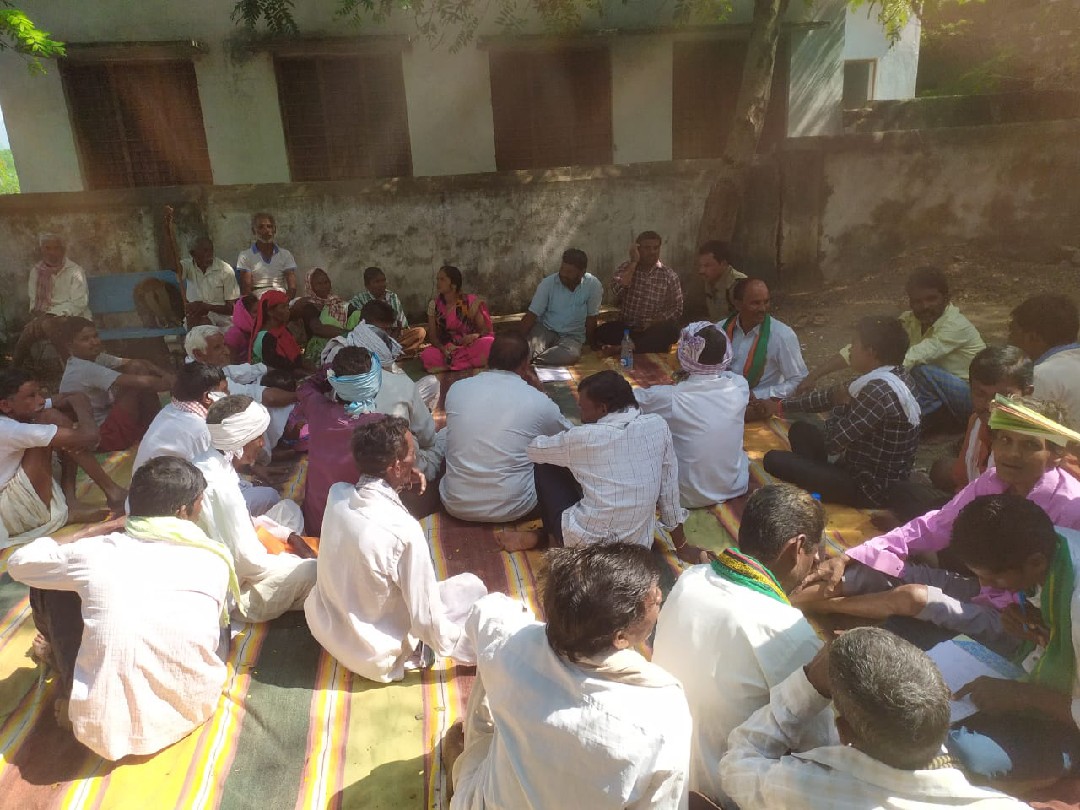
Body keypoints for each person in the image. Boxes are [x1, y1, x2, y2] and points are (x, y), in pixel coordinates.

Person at [795, 396, 1080, 646]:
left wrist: (1032, 616)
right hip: (982, 588)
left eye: (1030, 445)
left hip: (1017, 620)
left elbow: (1060, 600)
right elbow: (937, 525)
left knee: (913, 598)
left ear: (1056, 455)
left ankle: (822, 606)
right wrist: (850, 556)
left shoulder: (1070, 510)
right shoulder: (993, 481)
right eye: (1005, 440)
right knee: (874, 568)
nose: (1013, 453)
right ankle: (782, 602)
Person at [8, 456, 237, 761]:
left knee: (49, 579)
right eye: (200, 502)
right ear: (183, 511)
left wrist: (84, 533)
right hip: (194, 704)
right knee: (214, 621)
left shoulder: (96, 553)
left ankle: (71, 682)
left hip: (105, 728)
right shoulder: (213, 557)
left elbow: (20, 563)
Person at [447, 543, 691, 809]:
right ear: (621, 637)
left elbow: (486, 609)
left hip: (489, 801)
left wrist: (525, 620)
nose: (659, 595)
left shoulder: (511, 644)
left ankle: (460, 768)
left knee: (489, 668)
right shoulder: (664, 710)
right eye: (653, 598)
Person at [652, 484, 830, 804]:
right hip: (724, 796)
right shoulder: (789, 633)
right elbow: (822, 749)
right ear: (797, 547)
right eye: (815, 550)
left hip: (665, 777)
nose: (818, 559)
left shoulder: (691, 579)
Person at [720, 626, 1026, 809]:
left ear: (845, 732)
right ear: (945, 697)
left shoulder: (799, 789)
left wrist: (809, 684)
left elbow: (737, 763)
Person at [305, 416, 487, 683]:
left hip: (327, 628)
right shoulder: (404, 532)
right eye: (412, 454)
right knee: (472, 588)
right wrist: (480, 653)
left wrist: (399, 479)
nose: (416, 459)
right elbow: (427, 621)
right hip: (376, 657)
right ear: (396, 466)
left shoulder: (338, 494)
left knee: (464, 591)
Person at [944, 495, 1080, 786]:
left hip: (1070, 719)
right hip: (1049, 690)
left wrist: (1023, 696)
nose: (985, 586)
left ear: (1035, 562)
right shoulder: (1052, 544)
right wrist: (1036, 622)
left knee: (972, 757)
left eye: (994, 579)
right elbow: (1055, 622)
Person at [525, 370, 692, 557]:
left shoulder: (583, 438)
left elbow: (533, 450)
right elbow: (668, 490)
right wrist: (682, 546)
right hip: (637, 546)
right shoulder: (658, 426)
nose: (581, 416)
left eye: (583, 408)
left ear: (603, 409)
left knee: (545, 463)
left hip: (586, 544)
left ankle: (552, 541)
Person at [762, 316, 919, 507]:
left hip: (869, 489)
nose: (850, 349)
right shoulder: (897, 376)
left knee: (773, 459)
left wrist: (839, 406)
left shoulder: (876, 392)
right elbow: (827, 396)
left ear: (871, 352)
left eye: (854, 343)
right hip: (863, 469)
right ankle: (815, 478)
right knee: (800, 430)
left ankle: (815, 484)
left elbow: (832, 443)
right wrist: (779, 406)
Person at [799, 267, 985, 426]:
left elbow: (911, 357)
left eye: (931, 299)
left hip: (975, 399)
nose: (925, 306)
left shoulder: (955, 325)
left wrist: (861, 386)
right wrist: (814, 376)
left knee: (919, 372)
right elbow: (866, 344)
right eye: (918, 301)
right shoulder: (910, 320)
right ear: (910, 302)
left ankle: (907, 424)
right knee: (902, 381)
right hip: (940, 396)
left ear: (946, 298)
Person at [194, 395, 314, 623]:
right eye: (257, 437)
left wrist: (288, 536)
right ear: (240, 440)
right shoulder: (219, 486)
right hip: (236, 590)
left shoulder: (211, 460)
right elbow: (249, 563)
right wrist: (290, 559)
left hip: (246, 553)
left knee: (288, 509)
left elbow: (246, 521)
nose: (261, 443)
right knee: (314, 571)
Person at [886, 346, 1033, 523]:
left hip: (1001, 522)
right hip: (970, 508)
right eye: (980, 394)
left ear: (1027, 394)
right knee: (901, 491)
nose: (990, 405)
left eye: (1003, 396)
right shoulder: (977, 422)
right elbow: (963, 483)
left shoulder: (1033, 442)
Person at [440, 333, 569, 528]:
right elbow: (567, 437)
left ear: (488, 358)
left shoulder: (457, 389)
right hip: (515, 508)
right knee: (548, 448)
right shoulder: (538, 401)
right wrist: (541, 391)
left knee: (447, 435)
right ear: (525, 364)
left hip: (455, 503)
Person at [0, 369, 127, 546]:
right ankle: (111, 491)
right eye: (31, 396)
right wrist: (86, 423)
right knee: (48, 418)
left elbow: (76, 397)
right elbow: (90, 437)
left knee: (54, 417)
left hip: (14, 502)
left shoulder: (13, 414)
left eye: (39, 393)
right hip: (11, 513)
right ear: (6, 405)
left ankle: (72, 501)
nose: (41, 400)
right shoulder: (7, 429)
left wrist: (78, 414)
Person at [636, 322, 749, 508]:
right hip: (733, 487)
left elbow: (628, 400)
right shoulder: (739, 386)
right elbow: (724, 378)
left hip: (685, 496)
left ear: (684, 353)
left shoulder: (670, 397)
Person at [324, 299, 442, 448]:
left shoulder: (383, 348)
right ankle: (413, 422)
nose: (386, 334)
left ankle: (413, 420)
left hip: (384, 414)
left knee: (431, 383)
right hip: (355, 417)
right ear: (363, 324)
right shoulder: (340, 349)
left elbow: (397, 383)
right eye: (383, 329)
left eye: (389, 330)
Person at [294, 347, 385, 535]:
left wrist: (328, 373)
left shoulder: (316, 407)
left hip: (317, 523)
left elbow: (306, 386)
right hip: (358, 531)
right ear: (374, 382)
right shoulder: (382, 426)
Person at [57, 317, 173, 452]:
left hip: (110, 420)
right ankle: (155, 427)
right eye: (85, 339)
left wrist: (164, 374)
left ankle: (154, 426)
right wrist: (174, 383)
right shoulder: (83, 368)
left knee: (136, 366)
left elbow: (139, 362)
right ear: (70, 346)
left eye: (95, 336)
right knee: (139, 381)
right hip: (102, 435)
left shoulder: (97, 358)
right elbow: (145, 382)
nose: (94, 342)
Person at [184, 324, 298, 454]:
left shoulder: (200, 365)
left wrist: (279, 372)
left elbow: (244, 371)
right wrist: (301, 395)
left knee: (264, 381)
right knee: (258, 409)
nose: (226, 351)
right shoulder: (204, 379)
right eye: (217, 348)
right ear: (198, 354)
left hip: (214, 432)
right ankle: (263, 454)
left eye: (224, 345)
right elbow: (268, 398)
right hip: (212, 438)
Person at [721, 278, 808, 416]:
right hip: (720, 402)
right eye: (755, 303)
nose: (762, 309)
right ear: (737, 304)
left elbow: (799, 380)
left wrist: (759, 394)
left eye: (766, 302)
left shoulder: (782, 335)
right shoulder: (720, 330)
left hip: (757, 408)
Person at [595, 231, 683, 354]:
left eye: (655, 248)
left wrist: (655, 321)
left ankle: (623, 348)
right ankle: (639, 347)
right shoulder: (626, 267)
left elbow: (677, 308)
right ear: (637, 249)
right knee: (600, 332)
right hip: (627, 328)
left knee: (671, 331)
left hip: (652, 330)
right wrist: (634, 262)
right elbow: (616, 290)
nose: (652, 252)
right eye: (647, 248)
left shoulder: (669, 276)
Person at [12, 233, 92, 370]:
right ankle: (14, 371)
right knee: (31, 329)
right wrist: (43, 317)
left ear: (63, 250)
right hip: (45, 319)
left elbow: (79, 303)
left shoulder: (75, 271)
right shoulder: (36, 272)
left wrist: (52, 315)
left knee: (47, 324)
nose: (52, 252)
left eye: (56, 248)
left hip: (74, 317)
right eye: (47, 248)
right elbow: (34, 303)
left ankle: (72, 367)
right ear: (42, 250)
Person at [132, 362, 228, 473]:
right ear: (207, 397)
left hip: (144, 479)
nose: (228, 394)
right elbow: (211, 470)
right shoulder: (200, 429)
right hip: (162, 482)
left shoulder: (169, 409)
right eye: (224, 390)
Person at [519, 248, 603, 366]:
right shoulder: (548, 284)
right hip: (546, 329)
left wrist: (592, 344)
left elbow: (591, 317)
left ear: (582, 272)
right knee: (527, 351)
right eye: (562, 269)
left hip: (572, 336)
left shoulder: (593, 285)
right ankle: (528, 360)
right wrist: (517, 340)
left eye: (569, 272)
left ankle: (535, 363)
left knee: (572, 355)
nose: (563, 274)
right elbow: (532, 315)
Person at [1009, 293, 1080, 428]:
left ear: (1032, 337)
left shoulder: (1041, 375)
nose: (1010, 340)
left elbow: (1025, 432)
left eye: (1012, 332)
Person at [420, 265, 494, 372]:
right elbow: (433, 337)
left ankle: (452, 365)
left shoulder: (468, 303)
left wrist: (475, 336)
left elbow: (484, 330)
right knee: (427, 354)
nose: (438, 283)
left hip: (468, 346)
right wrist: (444, 349)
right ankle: (463, 363)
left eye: (442, 279)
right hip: (447, 348)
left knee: (489, 343)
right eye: (437, 279)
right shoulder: (434, 305)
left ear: (453, 285)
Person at [349, 266, 426, 355]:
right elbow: (352, 316)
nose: (382, 284)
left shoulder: (392, 297)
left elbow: (401, 324)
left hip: (394, 335)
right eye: (377, 281)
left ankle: (393, 352)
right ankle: (396, 352)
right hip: (372, 338)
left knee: (420, 332)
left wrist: (394, 333)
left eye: (383, 280)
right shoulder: (359, 299)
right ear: (367, 285)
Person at [294, 267, 360, 364]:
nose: (324, 286)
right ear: (310, 286)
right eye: (319, 284)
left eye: (326, 282)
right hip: (320, 348)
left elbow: (358, 314)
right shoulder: (308, 305)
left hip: (341, 343)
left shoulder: (336, 302)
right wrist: (348, 334)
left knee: (357, 314)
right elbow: (318, 328)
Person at [178, 236, 241, 328]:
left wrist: (206, 307)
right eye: (205, 251)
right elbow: (173, 267)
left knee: (205, 324)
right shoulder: (187, 266)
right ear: (193, 254)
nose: (209, 254)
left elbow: (232, 308)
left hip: (222, 318)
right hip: (196, 317)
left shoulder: (225, 270)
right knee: (196, 323)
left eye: (211, 250)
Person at [236, 212, 297, 299]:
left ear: (274, 230)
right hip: (257, 298)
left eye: (269, 226)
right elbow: (246, 289)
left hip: (280, 297)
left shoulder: (285, 254)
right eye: (261, 227)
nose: (266, 230)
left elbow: (292, 288)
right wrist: (258, 305)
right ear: (254, 231)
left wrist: (285, 302)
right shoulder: (245, 256)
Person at [249, 290, 306, 372]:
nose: (288, 310)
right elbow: (276, 366)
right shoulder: (265, 337)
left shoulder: (283, 332)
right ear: (270, 312)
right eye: (283, 307)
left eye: (287, 306)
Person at [698, 239, 746, 320]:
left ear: (723, 264)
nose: (701, 271)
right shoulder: (710, 280)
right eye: (700, 266)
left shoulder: (738, 285)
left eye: (707, 266)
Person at [224, 294, 258, 363]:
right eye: (255, 312)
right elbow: (231, 362)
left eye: (260, 312)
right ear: (244, 314)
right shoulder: (234, 335)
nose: (259, 315)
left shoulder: (259, 330)